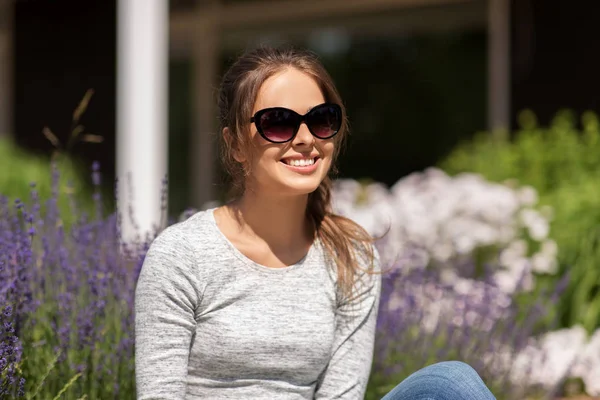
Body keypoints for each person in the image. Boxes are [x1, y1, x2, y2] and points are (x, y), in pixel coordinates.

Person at [134, 45, 496, 400]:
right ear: (236, 145)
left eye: (321, 119)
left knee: (451, 382)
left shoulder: (351, 256)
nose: (306, 139)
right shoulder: (182, 255)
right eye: (278, 123)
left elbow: (341, 394)